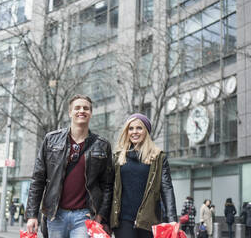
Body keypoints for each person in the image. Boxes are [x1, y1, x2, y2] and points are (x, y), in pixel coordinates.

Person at [25, 94, 114, 238]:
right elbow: (38, 179)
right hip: (55, 215)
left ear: (90, 113)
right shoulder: (51, 140)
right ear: (70, 113)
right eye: (77, 108)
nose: (82, 111)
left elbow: (108, 185)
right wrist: (31, 215)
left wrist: (100, 216)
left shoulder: (102, 145)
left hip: (84, 216)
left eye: (86, 108)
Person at [110, 113, 177, 238]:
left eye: (139, 128)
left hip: (149, 220)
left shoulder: (158, 157)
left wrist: (172, 218)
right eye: (131, 128)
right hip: (123, 220)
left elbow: (167, 189)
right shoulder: (118, 157)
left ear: (146, 131)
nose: (134, 132)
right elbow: (109, 187)